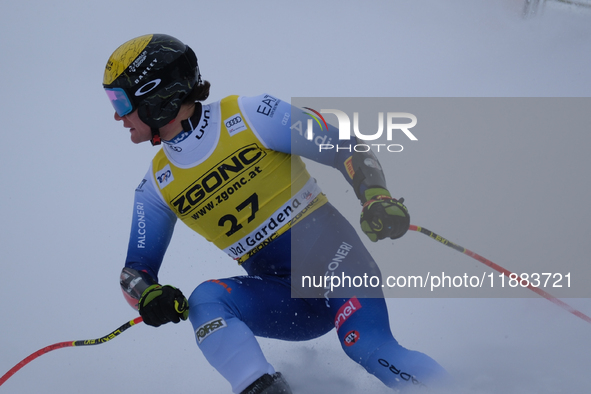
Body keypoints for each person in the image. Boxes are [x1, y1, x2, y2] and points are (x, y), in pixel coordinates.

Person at [103, 34, 451, 394]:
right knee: (205, 301)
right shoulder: (157, 184)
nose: (116, 114)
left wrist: (376, 197)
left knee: (367, 347)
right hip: (286, 299)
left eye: (120, 99)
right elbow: (135, 272)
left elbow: (345, 146)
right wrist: (149, 297)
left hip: (336, 262)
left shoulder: (251, 115)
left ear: (156, 94)